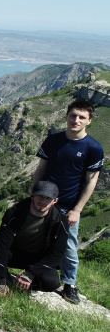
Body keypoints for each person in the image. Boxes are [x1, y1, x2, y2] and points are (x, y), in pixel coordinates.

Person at [33, 99, 104, 304]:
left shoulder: (94, 148)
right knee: (38, 238)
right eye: (73, 115)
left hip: (68, 206)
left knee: (69, 246)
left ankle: (70, 285)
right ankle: (36, 273)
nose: (76, 120)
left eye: (82, 117)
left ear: (89, 121)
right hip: (44, 201)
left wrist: (77, 210)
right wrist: (35, 193)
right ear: (66, 116)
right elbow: (41, 169)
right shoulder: (53, 140)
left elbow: (91, 181)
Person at [0, 181, 70, 295]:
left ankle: (22, 283)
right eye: (40, 196)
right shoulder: (14, 213)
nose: (43, 201)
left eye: (48, 198)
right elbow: (2, 245)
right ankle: (5, 278)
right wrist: (0, 280)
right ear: (32, 195)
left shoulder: (60, 221)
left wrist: (31, 273)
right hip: (14, 253)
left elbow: (57, 253)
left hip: (38, 258)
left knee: (51, 283)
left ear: (55, 201)